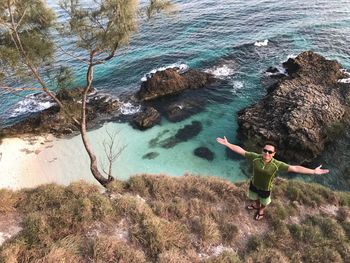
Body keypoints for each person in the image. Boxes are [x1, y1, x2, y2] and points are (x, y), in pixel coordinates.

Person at [216, 136, 330, 221]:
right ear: (262, 151)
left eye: (270, 152)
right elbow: (242, 151)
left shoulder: (277, 164)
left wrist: (313, 171)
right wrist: (228, 144)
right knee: (254, 197)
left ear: (274, 154)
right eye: (265, 150)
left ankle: (261, 210)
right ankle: (256, 205)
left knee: (264, 202)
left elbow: (295, 168)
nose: (266, 153)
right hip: (254, 184)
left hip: (266, 188)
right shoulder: (256, 158)